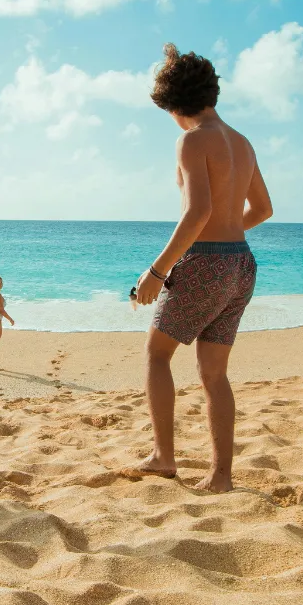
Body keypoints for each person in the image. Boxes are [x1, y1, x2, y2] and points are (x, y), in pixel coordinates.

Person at [126, 44, 273, 492]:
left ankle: (163, 457)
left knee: (157, 354)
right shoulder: (242, 142)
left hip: (206, 262)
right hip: (241, 264)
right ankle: (221, 476)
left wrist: (156, 272)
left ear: (172, 105)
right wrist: (228, 241)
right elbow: (263, 209)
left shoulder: (191, 139)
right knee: (214, 373)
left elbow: (198, 213)